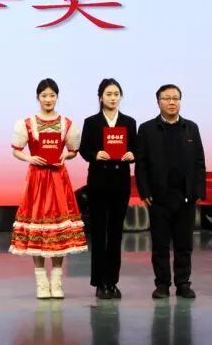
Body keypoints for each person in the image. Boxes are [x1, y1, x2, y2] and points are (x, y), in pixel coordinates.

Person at [10, 78, 88, 299]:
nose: (48, 99)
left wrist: (66, 156)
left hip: (58, 179)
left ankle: (56, 280)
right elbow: (16, 150)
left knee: (59, 229)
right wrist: (30, 158)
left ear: (57, 97)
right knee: (37, 227)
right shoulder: (27, 123)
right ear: (38, 97)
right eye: (44, 95)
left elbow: (73, 150)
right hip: (37, 179)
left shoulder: (66, 123)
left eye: (52, 95)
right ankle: (41, 282)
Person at [134, 84, 207, 299]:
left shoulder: (191, 128)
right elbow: (141, 164)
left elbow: (199, 162)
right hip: (159, 198)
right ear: (158, 102)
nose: (172, 102)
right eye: (167, 98)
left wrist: (197, 191)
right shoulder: (147, 129)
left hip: (185, 196)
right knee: (160, 245)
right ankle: (162, 284)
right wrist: (144, 191)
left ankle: (183, 283)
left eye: (176, 98)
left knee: (184, 244)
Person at [78, 78, 138, 300]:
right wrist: (95, 155)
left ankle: (112, 281)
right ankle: (99, 282)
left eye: (116, 94)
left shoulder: (129, 122)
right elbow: (84, 149)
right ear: (100, 97)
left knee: (115, 234)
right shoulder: (91, 122)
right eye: (108, 94)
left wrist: (132, 154)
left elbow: (137, 148)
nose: (113, 98)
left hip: (120, 183)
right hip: (99, 182)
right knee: (98, 233)